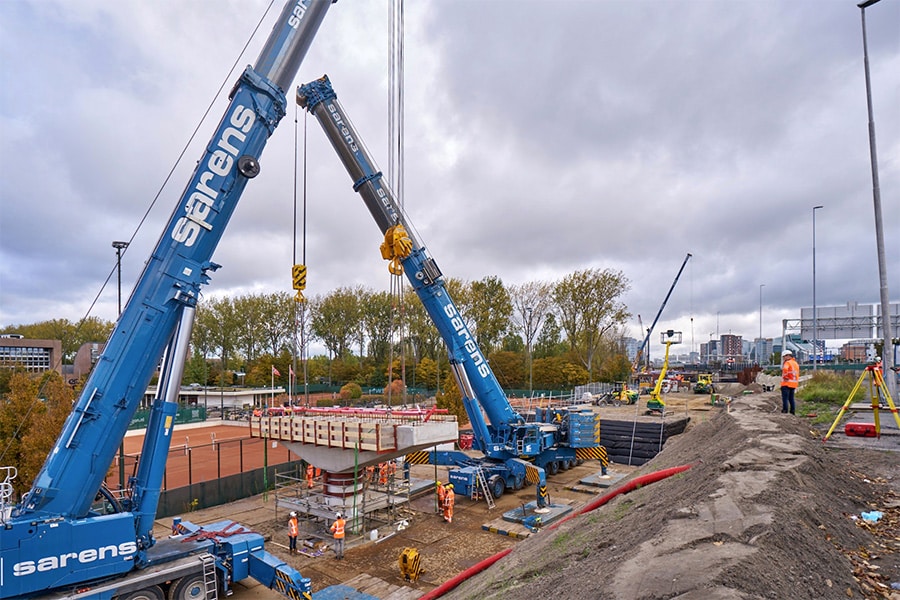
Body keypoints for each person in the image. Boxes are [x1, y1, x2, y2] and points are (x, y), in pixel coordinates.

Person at [781, 350, 799, 414]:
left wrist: (785, 376)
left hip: (786, 383)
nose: (783, 358)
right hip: (793, 384)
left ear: (788, 356)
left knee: (785, 398)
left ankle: (785, 410)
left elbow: (785, 369)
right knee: (791, 399)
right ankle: (792, 411)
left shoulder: (787, 363)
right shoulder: (795, 363)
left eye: (784, 357)